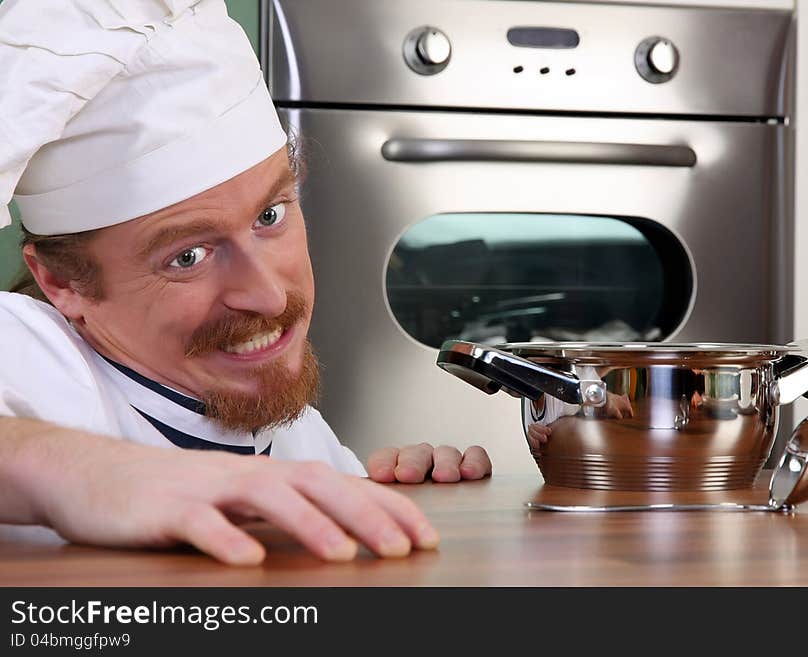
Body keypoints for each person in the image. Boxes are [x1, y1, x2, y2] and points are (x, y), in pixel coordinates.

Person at [0, 0, 490, 566]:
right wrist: (94, 474)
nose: (268, 296)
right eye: (188, 256)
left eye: (270, 217)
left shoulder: (296, 428)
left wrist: (382, 495)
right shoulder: (27, 352)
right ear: (63, 282)